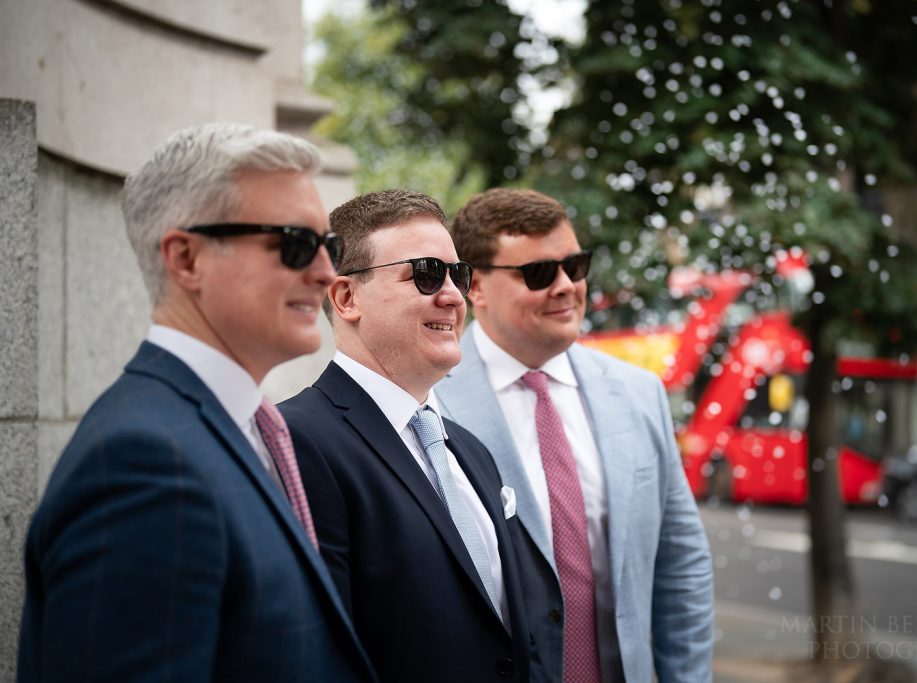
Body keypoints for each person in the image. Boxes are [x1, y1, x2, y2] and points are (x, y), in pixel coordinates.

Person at [18, 123, 376, 683]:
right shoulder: (145, 464)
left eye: (328, 246)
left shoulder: (235, 428)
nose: (327, 271)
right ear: (186, 259)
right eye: (295, 243)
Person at [436, 188, 715, 683]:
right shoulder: (431, 401)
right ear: (473, 286)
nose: (566, 285)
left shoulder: (638, 393)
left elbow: (681, 564)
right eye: (540, 273)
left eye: (576, 266)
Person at [277, 189, 542, 683]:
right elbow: (315, 653)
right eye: (424, 273)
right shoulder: (294, 441)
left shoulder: (470, 451)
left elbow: (513, 636)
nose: (452, 294)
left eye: (457, 275)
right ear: (346, 297)